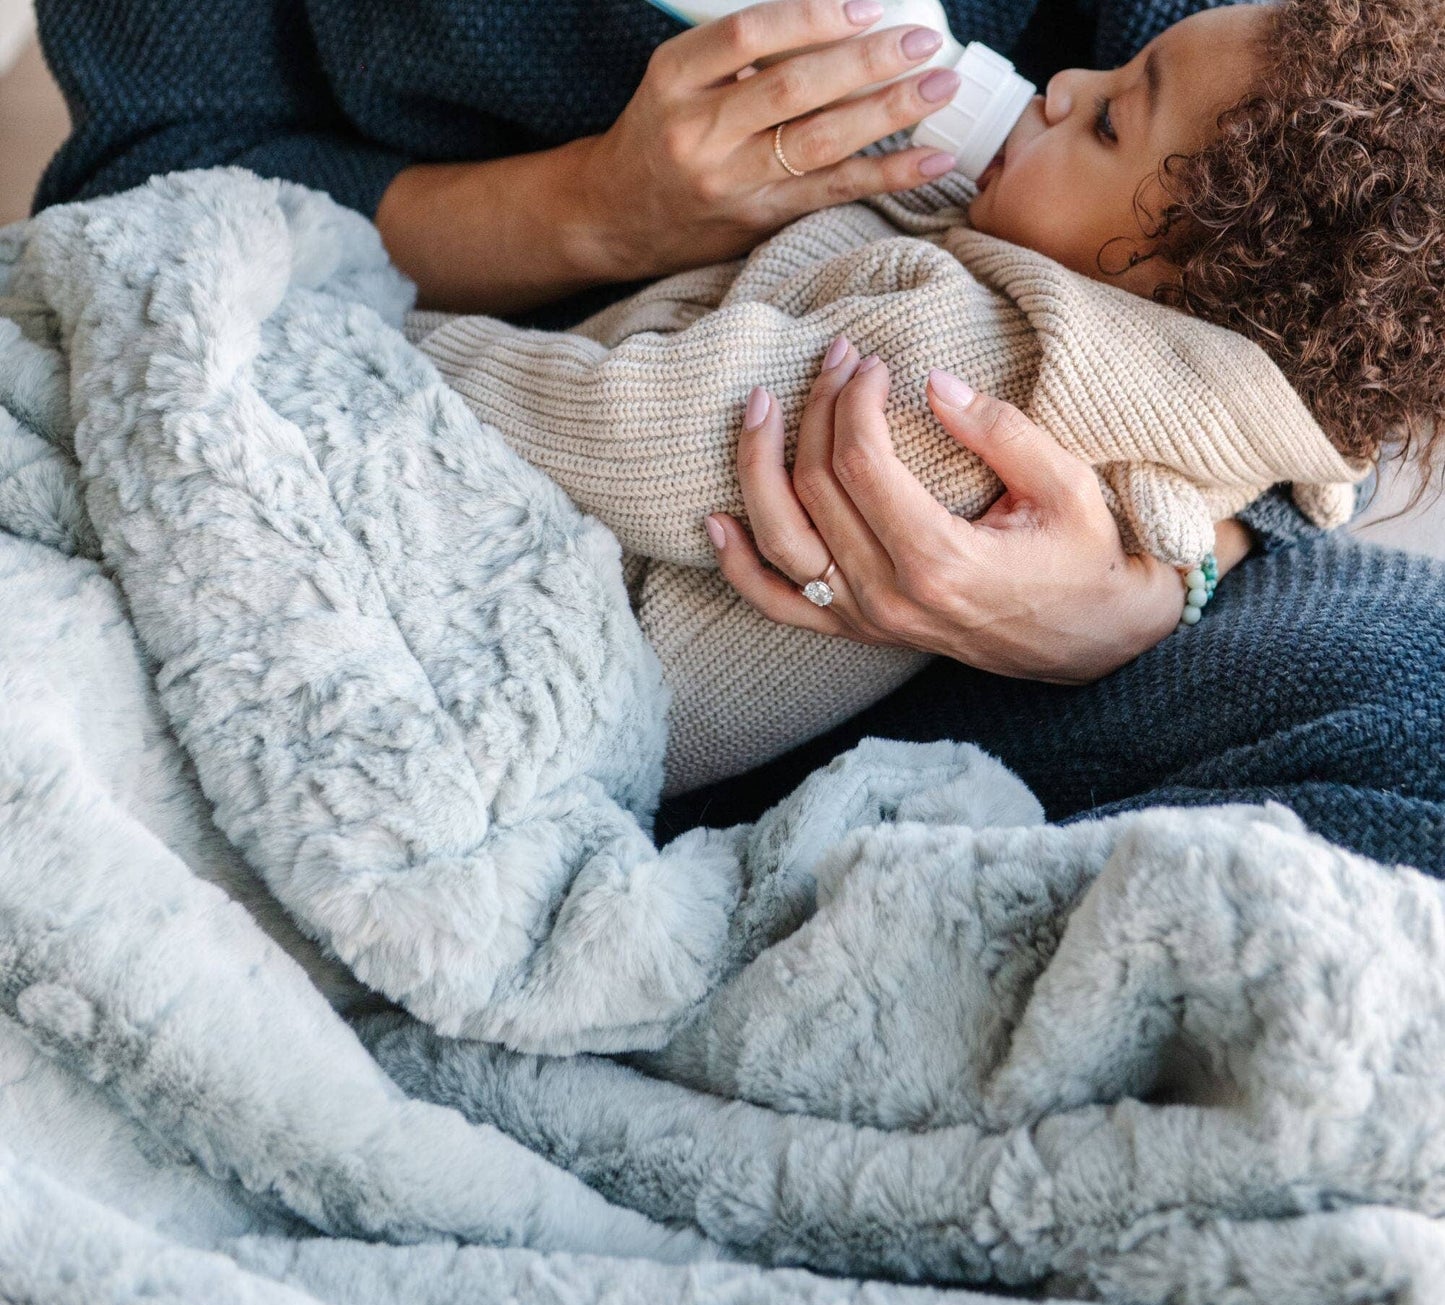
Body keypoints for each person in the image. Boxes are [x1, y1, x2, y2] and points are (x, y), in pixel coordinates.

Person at [30, 0, 1445, 873]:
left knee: (1414, 704)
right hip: (586, 453)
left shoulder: (975, 345)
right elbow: (146, 182)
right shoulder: (1023, 272)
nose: (1058, 87)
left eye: (1106, 109)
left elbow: (1346, 240)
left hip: (595, 579)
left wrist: (1155, 583)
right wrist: (590, 208)